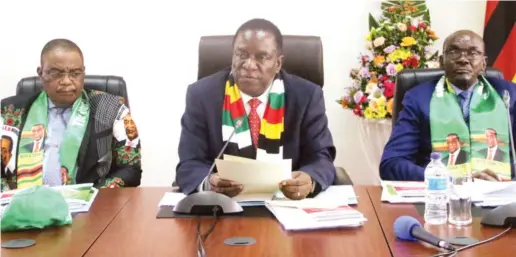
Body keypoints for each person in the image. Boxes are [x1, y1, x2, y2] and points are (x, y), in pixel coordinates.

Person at [175, 18, 336, 200]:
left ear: (278, 64)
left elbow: (321, 157)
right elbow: (190, 162)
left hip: (287, 207)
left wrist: (309, 180)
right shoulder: (202, 95)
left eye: (262, 57)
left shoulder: (306, 96)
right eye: (241, 54)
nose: (249, 65)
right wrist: (208, 182)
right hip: (222, 208)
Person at [0, 38, 142, 190]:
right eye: (56, 73)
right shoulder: (8, 112)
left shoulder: (110, 109)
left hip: (90, 207)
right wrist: (10, 200)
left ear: (83, 73)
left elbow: (130, 169)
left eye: (75, 73)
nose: (66, 81)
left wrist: (94, 195)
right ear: (41, 74)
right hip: (20, 208)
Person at [380, 30, 516, 182]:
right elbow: (391, 164)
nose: (463, 59)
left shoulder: (508, 95)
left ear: (484, 63)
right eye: (454, 51)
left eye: (473, 53)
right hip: (439, 194)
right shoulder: (419, 98)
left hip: (500, 194)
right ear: (441, 61)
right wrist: (448, 178)